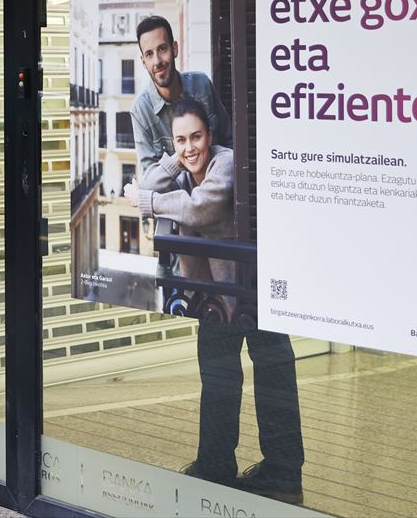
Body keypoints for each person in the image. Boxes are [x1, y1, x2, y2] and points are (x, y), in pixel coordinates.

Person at [124, 98, 305, 504]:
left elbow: (201, 209)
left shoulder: (225, 161)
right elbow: (150, 182)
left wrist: (148, 202)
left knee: (275, 373)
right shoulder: (184, 167)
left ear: (211, 135)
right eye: (181, 139)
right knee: (218, 378)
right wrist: (173, 159)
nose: (191, 147)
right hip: (214, 297)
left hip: (251, 287)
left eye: (197, 137)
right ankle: (215, 465)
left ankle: (283, 470)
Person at [130, 15, 231, 173]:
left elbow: (229, 139)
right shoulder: (141, 110)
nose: (157, 61)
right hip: (174, 197)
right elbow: (151, 176)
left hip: (219, 186)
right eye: (149, 54)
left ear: (174, 49)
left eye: (162, 49)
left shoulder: (202, 84)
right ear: (143, 62)